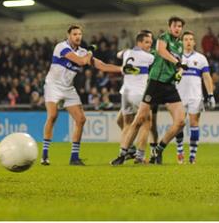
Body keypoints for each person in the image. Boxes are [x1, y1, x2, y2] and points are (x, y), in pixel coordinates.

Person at [41, 24, 138, 166]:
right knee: (52, 116)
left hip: (68, 88)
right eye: (74, 34)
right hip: (53, 86)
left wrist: (122, 69)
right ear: (69, 36)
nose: (78, 36)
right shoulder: (61, 47)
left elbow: (102, 66)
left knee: (81, 119)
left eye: (79, 34)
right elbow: (81, 61)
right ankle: (44, 155)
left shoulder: (83, 52)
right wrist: (90, 52)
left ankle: (74, 157)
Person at [111, 16, 187, 165]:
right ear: (170, 27)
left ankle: (158, 149)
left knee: (180, 122)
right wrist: (176, 62)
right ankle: (123, 154)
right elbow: (161, 51)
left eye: (180, 26)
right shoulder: (163, 37)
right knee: (139, 120)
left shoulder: (179, 45)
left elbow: (180, 64)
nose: (178, 28)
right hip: (155, 84)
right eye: (175, 26)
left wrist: (179, 72)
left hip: (169, 86)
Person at [174, 31, 215, 164]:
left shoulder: (201, 58)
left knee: (194, 124)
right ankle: (180, 151)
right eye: (186, 39)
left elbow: (207, 77)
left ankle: (192, 156)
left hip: (195, 96)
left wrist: (211, 95)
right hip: (178, 96)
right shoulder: (175, 57)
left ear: (194, 42)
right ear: (181, 42)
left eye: (191, 39)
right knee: (179, 124)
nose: (188, 42)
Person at [116, 32, 154, 163]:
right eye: (147, 42)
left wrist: (125, 52)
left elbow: (118, 54)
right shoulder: (148, 56)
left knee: (127, 123)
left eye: (150, 42)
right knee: (146, 122)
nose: (150, 45)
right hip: (139, 93)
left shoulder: (127, 53)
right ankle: (140, 156)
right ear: (140, 43)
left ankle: (124, 152)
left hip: (125, 92)